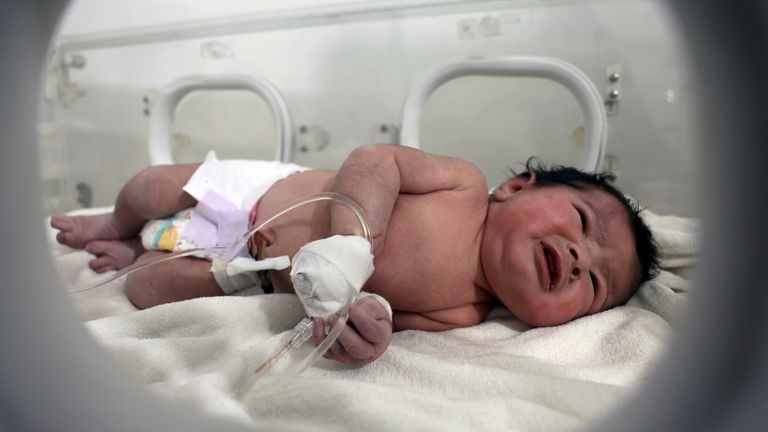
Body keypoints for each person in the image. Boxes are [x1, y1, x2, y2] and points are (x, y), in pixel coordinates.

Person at [51, 144, 659, 365]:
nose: (581, 258)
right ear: (517, 188)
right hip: (262, 196)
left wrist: (363, 330)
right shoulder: (463, 186)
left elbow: (383, 314)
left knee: (145, 289)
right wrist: (354, 244)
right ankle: (116, 222)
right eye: (583, 223)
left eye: (596, 286)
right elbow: (374, 161)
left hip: (255, 276)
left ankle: (133, 250)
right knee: (152, 186)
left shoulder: (464, 312)